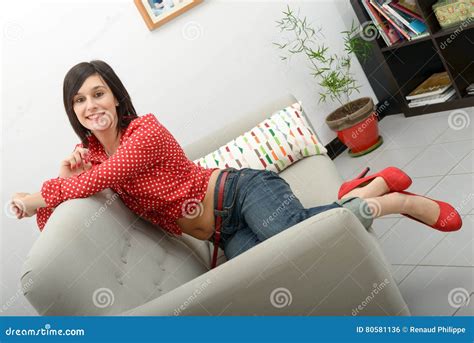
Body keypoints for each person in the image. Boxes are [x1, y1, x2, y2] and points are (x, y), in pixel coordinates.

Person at [10, 60, 462, 264]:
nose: (90, 105)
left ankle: (399, 202)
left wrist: (34, 196)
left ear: (115, 94)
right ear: (72, 111)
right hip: (224, 235)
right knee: (287, 251)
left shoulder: (142, 131)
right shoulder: (88, 160)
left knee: (301, 239)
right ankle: (366, 188)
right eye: (79, 100)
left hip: (241, 192)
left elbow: (107, 176)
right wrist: (62, 178)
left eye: (97, 93)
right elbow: (52, 221)